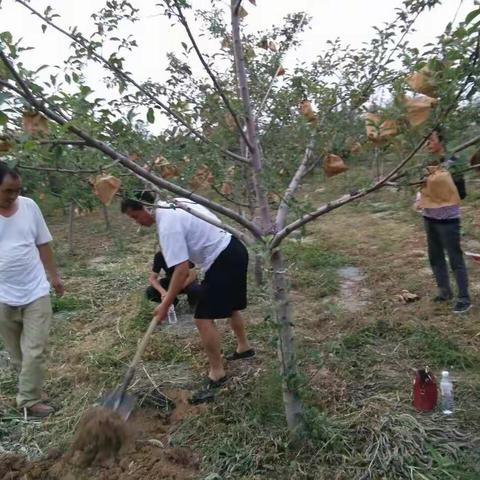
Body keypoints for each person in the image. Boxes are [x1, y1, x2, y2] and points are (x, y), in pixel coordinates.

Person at [121, 194, 254, 395]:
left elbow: (181, 270)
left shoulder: (167, 224)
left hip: (222, 258)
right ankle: (244, 347)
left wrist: (165, 304)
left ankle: (217, 373)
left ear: (145, 207)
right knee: (231, 305)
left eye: (135, 217)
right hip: (234, 248)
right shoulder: (174, 202)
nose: (137, 223)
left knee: (202, 317)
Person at [0, 162, 64, 417]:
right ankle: (33, 389)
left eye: (17, 190)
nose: (14, 196)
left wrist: (54, 277)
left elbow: (43, 243)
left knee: (34, 349)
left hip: (35, 289)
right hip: (3, 294)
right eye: (7, 191)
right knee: (16, 354)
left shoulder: (29, 207)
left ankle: (28, 401)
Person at [419, 128, 471, 313]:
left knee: (455, 258)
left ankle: (464, 297)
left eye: (431, 139)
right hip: (429, 217)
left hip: (448, 219)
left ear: (441, 141)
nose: (427, 144)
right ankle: (444, 291)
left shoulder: (453, 162)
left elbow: (462, 193)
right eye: (425, 140)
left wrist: (443, 189)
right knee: (435, 257)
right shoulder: (425, 164)